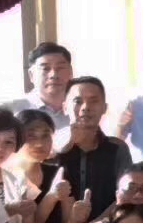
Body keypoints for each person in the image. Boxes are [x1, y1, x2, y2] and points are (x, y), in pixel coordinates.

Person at [54, 77, 134, 214]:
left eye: (94, 101)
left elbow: (125, 195)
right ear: (65, 107)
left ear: (104, 108)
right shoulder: (51, 147)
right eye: (78, 101)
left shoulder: (117, 149)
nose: (86, 107)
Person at [5, 41, 75, 132]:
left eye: (60, 68)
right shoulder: (15, 111)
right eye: (45, 68)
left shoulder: (79, 109)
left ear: (71, 72)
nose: (53, 75)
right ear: (31, 75)